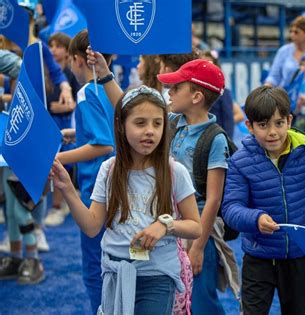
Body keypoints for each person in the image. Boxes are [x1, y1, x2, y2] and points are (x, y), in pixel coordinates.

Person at [52, 85, 202, 314]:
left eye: (157, 123)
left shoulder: (175, 171)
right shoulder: (109, 170)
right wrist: (67, 190)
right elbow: (92, 227)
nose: (150, 131)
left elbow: (195, 227)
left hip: (158, 276)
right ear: (121, 126)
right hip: (115, 273)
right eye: (140, 123)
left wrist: (165, 225)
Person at [222, 86, 305, 315]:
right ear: (249, 126)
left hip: (298, 255)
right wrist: (255, 218)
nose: (272, 132)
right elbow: (230, 208)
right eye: (263, 125)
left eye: (279, 123)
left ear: (289, 121)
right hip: (258, 255)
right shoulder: (240, 161)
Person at [158, 59, 238, 315]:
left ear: (196, 96)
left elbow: (214, 199)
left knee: (202, 302)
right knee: (172, 298)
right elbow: (127, 110)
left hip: (198, 230)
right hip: (171, 224)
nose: (169, 92)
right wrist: (104, 77)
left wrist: (199, 247)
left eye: (176, 87)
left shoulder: (215, 138)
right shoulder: (173, 122)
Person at [56, 30, 115, 314]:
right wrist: (76, 134)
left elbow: (103, 145)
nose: (67, 65)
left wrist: (56, 158)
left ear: (79, 59)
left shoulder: (85, 92)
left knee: (95, 269)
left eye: (68, 59)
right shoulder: (110, 87)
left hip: (96, 190)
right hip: (115, 186)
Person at [45, 32, 80, 227]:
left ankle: (57, 206)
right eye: (51, 46)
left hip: (65, 124)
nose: (53, 50)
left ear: (67, 51)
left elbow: (76, 101)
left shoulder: (70, 73)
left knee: (60, 165)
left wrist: (65, 107)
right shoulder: (46, 72)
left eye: (58, 46)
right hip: (48, 123)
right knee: (47, 164)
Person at [264, 13, 305, 88]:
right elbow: (274, 77)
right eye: (291, 31)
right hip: (285, 95)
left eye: (296, 32)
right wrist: (265, 88)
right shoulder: (284, 51)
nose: (292, 35)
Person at [201, 50, 235, 138]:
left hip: (217, 138)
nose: (205, 67)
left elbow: (228, 120)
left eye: (209, 64)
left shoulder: (223, 93)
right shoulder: (195, 91)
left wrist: (228, 142)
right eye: (202, 64)